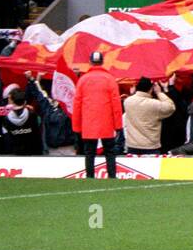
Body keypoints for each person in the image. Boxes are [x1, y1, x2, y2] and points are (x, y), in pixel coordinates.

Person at [72, 51, 123, 179]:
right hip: (107, 122)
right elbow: (116, 105)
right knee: (110, 152)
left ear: (90, 62)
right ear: (102, 62)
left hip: (89, 123)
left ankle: (90, 177)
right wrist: (118, 126)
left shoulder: (83, 80)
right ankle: (112, 177)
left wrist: (76, 127)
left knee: (89, 152)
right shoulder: (110, 79)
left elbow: (77, 105)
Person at [122, 77, 175, 154]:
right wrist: (159, 93)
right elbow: (171, 107)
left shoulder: (127, 101)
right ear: (151, 89)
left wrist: (133, 93)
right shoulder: (154, 104)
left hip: (132, 146)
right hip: (150, 146)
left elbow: (134, 98)